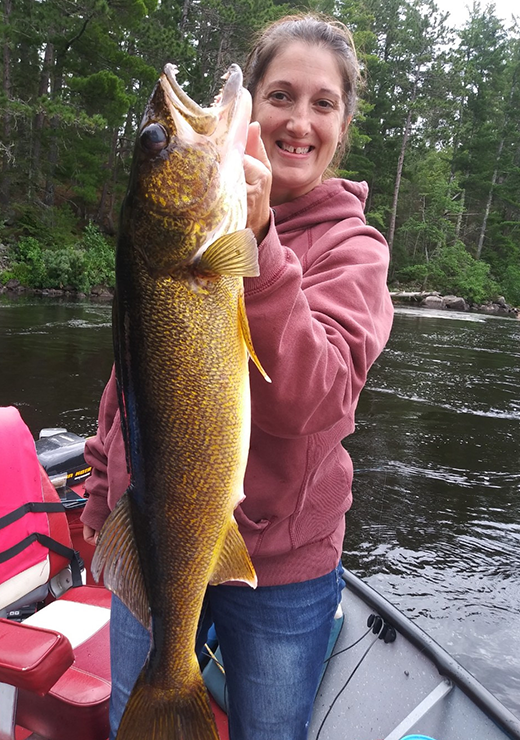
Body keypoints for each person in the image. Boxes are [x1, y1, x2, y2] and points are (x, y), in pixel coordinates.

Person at [82, 13, 394, 740]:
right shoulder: (183, 247)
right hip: (154, 533)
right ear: (252, 105)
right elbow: (132, 376)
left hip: (285, 565)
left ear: (343, 126)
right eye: (282, 94)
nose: (300, 120)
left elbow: (314, 400)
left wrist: (258, 243)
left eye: (324, 103)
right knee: (142, 705)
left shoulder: (356, 251)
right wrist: (100, 486)